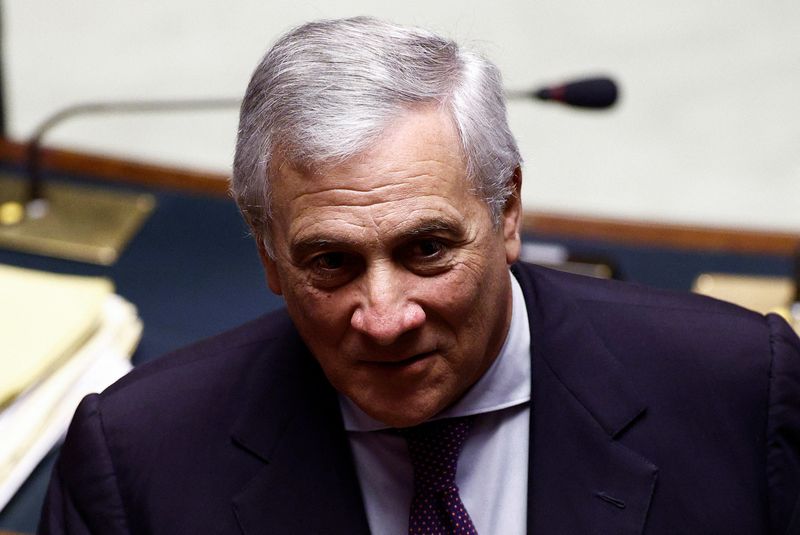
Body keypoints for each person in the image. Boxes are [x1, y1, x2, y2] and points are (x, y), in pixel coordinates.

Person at [40, 16, 800, 535]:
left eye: (427, 248)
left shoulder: (739, 391)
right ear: (268, 255)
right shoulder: (135, 463)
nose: (385, 315)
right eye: (330, 261)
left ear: (507, 213)